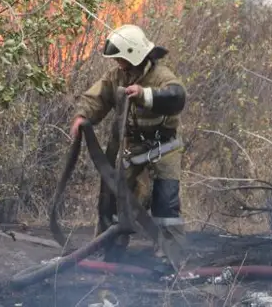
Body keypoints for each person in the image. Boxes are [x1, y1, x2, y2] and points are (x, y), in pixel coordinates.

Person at [70, 24, 188, 266]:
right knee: (113, 198)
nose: (118, 63)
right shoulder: (116, 77)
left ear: (134, 53)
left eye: (121, 58)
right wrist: (83, 116)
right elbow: (98, 97)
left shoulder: (162, 76)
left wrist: (145, 94)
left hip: (163, 149)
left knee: (165, 205)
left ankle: (170, 260)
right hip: (131, 148)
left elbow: (177, 97)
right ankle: (109, 252)